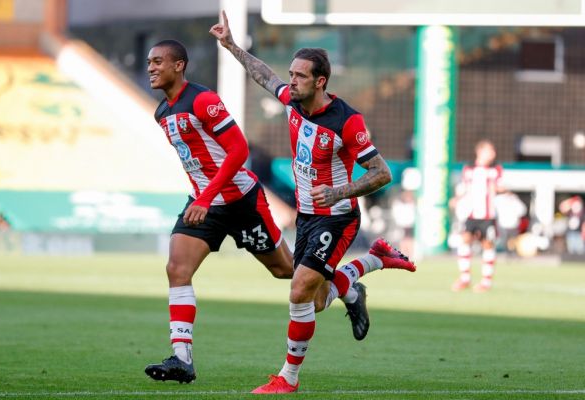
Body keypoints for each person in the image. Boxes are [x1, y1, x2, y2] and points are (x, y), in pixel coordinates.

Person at [210, 12, 416, 394]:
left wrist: (338, 192)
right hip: (307, 217)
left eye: (300, 76)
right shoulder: (292, 100)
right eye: (291, 74)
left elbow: (382, 173)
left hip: (336, 218)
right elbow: (263, 76)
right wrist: (232, 46)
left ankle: (287, 378)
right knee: (316, 301)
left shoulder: (347, 121)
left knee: (299, 290)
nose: (291, 81)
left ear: (320, 81)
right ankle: (367, 268)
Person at [143, 39, 295, 385]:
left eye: (158, 61)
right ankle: (182, 359)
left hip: (240, 201)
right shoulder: (162, 112)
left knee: (287, 272)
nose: (151, 67)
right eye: (149, 62)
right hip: (204, 203)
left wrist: (206, 197)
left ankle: (348, 289)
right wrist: (203, 197)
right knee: (177, 267)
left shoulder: (203, 100)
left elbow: (239, 150)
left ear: (178, 65)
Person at [451, 139, 504, 293]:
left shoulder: (496, 170)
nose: (493, 154)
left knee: (487, 244)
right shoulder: (468, 169)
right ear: (480, 152)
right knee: (465, 240)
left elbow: (500, 186)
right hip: (471, 213)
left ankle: (486, 282)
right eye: (490, 150)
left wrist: (501, 189)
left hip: (488, 215)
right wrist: (457, 198)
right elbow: (464, 188)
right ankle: (465, 279)